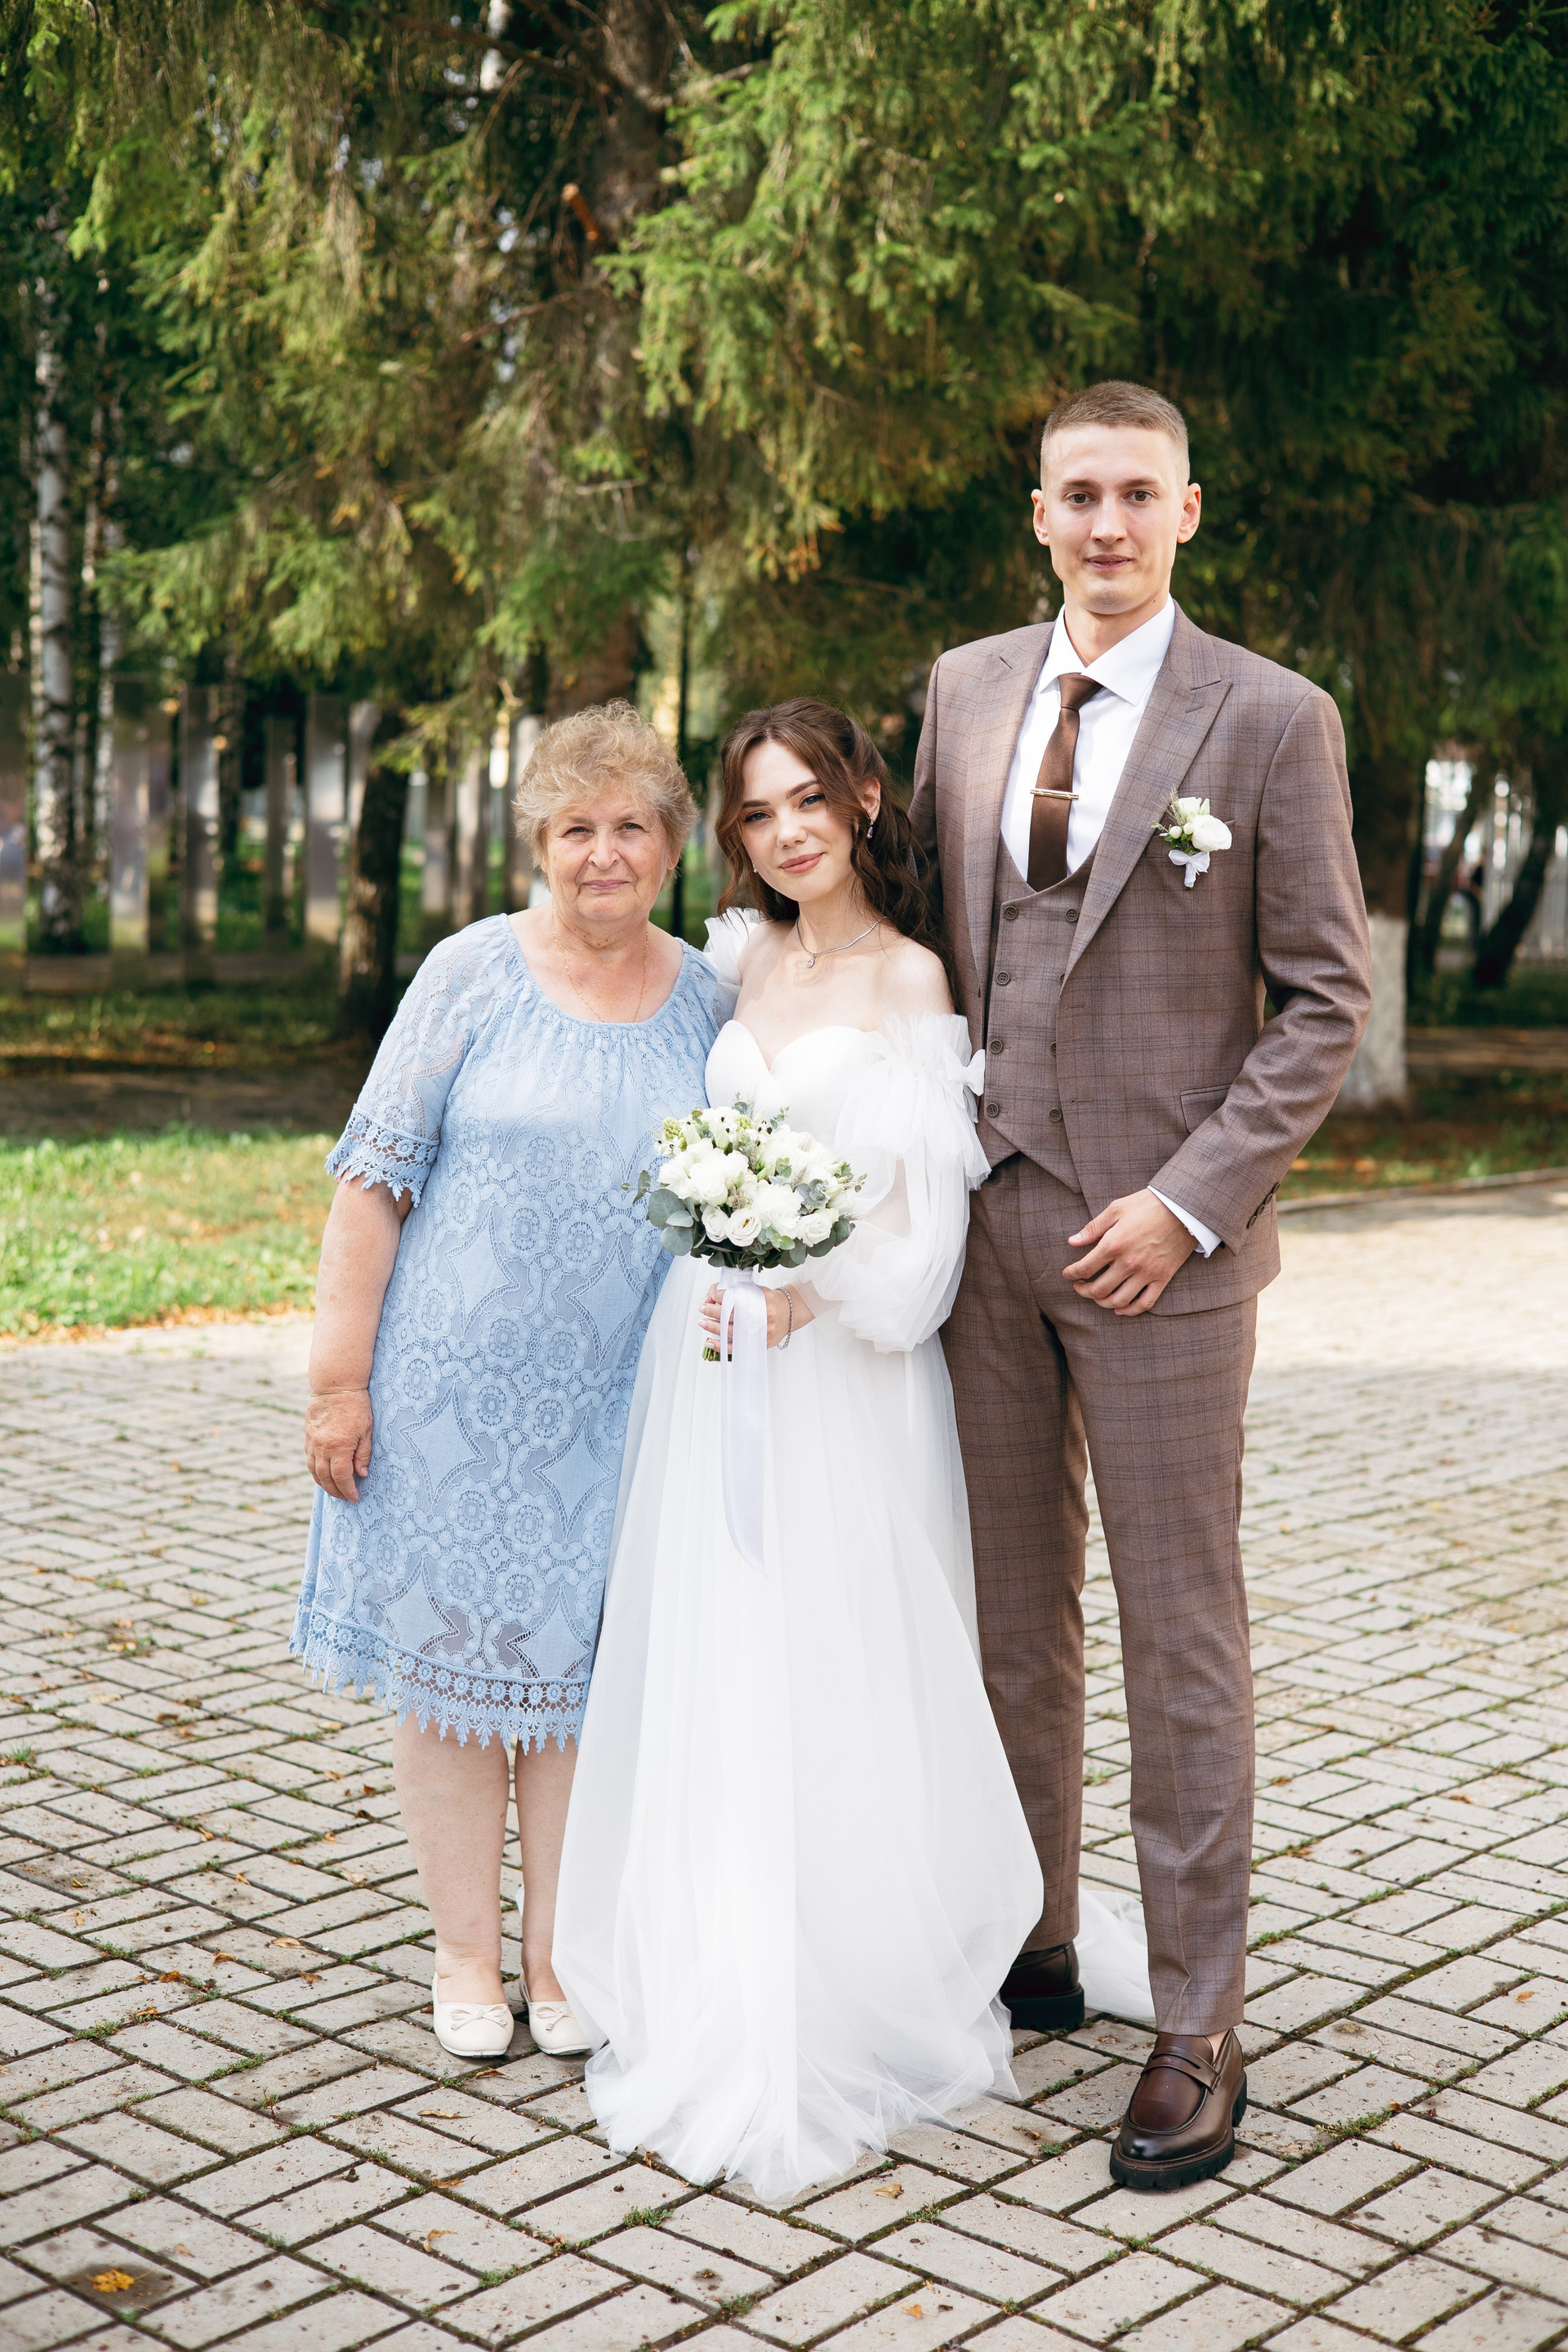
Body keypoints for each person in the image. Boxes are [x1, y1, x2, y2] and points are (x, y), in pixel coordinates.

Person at [553, 699, 1149, 2205]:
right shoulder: (739, 959)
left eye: (808, 801)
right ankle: (718, 1939)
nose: (786, 835)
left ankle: (844, 1965)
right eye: (758, 814)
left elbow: (924, 1235)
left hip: (838, 1368)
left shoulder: (910, 978)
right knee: (720, 1645)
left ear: (864, 799)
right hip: (711, 1359)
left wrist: (807, 1293)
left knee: (829, 1649)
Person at [910, 379, 1372, 2191]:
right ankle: (1032, 1936)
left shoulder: (1271, 717)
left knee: (1181, 1632)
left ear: (1188, 511)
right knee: (1008, 1614)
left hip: (1161, 1256)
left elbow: (1325, 1001)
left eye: (1137, 494)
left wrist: (1188, 1205)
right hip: (982, 1230)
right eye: (1077, 494)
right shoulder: (963, 691)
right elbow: (923, 936)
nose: (1106, 523)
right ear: (1037, 515)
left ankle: (1197, 2023)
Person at [293, 702, 728, 2063]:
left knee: (581, 1688)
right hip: (449, 1402)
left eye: (632, 827)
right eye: (576, 827)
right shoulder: (471, 971)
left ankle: (558, 1956)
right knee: (453, 1689)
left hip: (623, 1409)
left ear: (672, 846)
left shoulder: (712, 997)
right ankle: (465, 1955)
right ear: (539, 841)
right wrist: (337, 1384)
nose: (605, 854)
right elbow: (372, 1180)